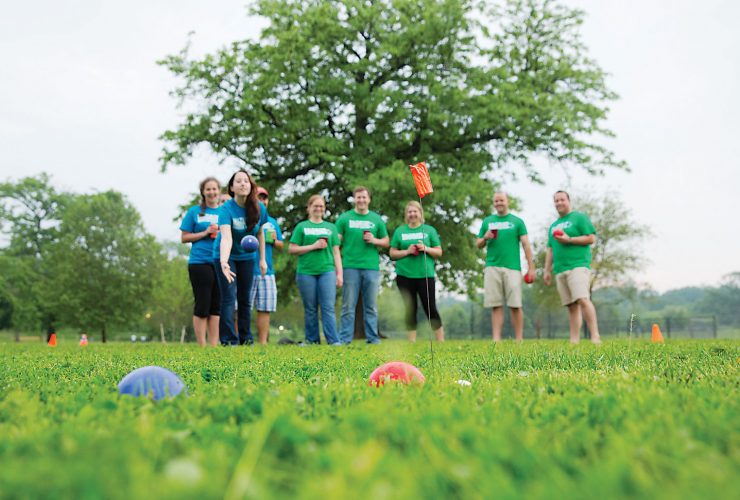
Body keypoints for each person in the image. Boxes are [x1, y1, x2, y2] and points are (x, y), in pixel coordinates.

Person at [215, 169, 268, 346]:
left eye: (246, 181)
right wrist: (223, 262)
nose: (243, 184)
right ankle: (229, 340)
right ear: (232, 187)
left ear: (250, 185)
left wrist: (262, 259)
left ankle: (246, 338)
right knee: (229, 298)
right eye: (238, 181)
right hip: (226, 257)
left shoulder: (258, 207)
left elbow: (260, 233)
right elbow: (226, 237)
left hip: (247, 257)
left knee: (245, 298)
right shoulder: (226, 209)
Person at [476, 191, 535, 342]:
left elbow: (526, 244)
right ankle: (496, 339)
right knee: (495, 305)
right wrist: (485, 237)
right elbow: (478, 244)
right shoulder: (487, 221)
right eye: (496, 201)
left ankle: (519, 339)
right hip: (492, 266)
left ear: (507, 201)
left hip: (513, 267)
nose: (499, 203)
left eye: (501, 200)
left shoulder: (517, 221)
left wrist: (531, 266)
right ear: (493, 203)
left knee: (515, 304)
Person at [543, 190, 601, 343]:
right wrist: (547, 270)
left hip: (578, 265)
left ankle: (595, 336)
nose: (559, 203)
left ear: (569, 201)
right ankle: (574, 340)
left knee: (582, 299)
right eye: (556, 201)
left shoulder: (579, 218)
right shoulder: (553, 226)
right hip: (560, 269)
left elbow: (591, 238)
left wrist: (569, 239)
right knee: (571, 306)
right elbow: (550, 249)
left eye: (562, 199)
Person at [336, 186, 389, 344]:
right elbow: (336, 242)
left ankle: (372, 338)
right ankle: (345, 338)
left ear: (369, 199)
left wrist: (374, 240)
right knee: (348, 305)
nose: (361, 200)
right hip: (350, 265)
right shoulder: (344, 218)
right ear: (354, 199)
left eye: (364, 197)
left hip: (371, 267)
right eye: (358, 197)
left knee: (371, 306)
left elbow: (386, 241)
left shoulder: (376, 219)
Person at [289, 195, 343, 345]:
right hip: (306, 272)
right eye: (315, 206)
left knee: (328, 307)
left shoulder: (331, 228)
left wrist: (340, 274)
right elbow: (292, 249)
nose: (319, 209)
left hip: (327, 271)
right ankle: (312, 340)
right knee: (310, 309)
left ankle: (333, 341)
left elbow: (336, 252)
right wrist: (313, 246)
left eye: (321, 206)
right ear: (309, 208)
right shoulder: (302, 227)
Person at [389, 201, 445, 342]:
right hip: (404, 275)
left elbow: (439, 252)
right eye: (410, 212)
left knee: (430, 307)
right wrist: (407, 251)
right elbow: (392, 253)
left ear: (420, 213)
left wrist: (426, 248)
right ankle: (412, 341)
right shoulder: (400, 231)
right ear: (406, 215)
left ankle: (440, 340)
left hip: (425, 275)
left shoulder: (429, 230)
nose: (413, 214)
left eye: (415, 211)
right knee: (410, 309)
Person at [179, 177, 222, 346]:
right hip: (199, 262)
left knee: (216, 304)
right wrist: (205, 232)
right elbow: (184, 237)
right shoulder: (194, 212)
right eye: (208, 189)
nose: (211, 192)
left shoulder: (224, 212)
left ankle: (213, 345)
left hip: (219, 261)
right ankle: (202, 345)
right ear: (203, 192)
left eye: (214, 189)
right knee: (203, 302)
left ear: (219, 191)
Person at [248, 186, 284, 344]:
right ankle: (240, 341)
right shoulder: (245, 218)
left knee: (265, 307)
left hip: (267, 270)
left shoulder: (273, 222)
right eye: (259, 197)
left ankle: (263, 342)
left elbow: (282, 245)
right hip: (247, 268)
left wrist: (276, 240)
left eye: (264, 198)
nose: (262, 201)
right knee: (242, 308)